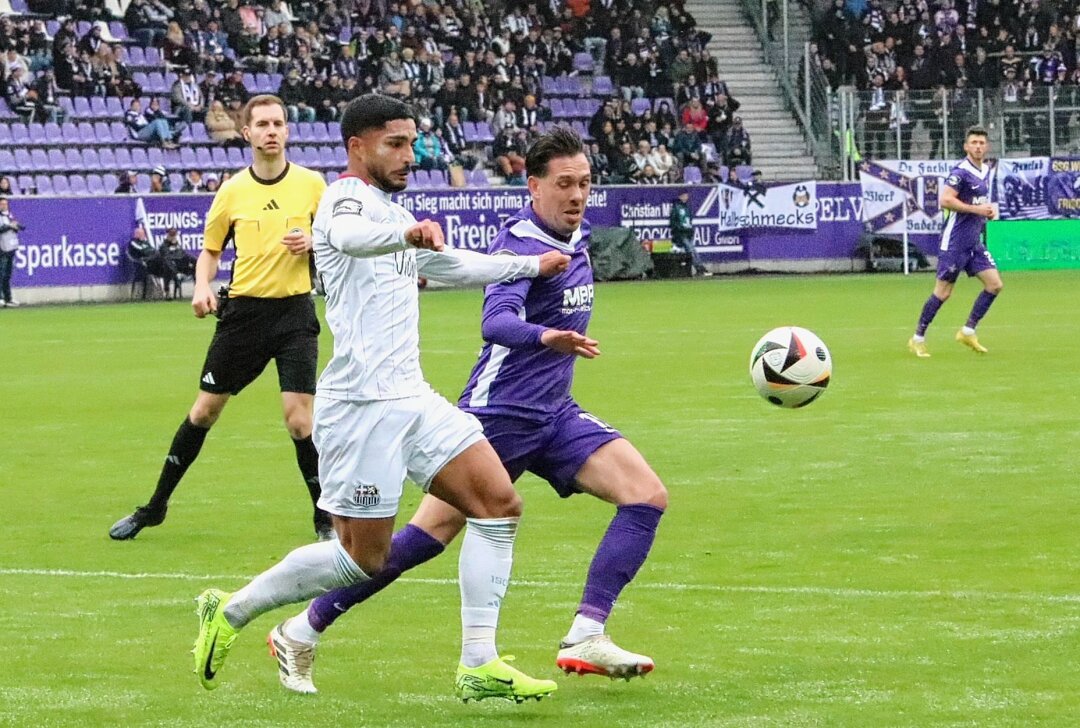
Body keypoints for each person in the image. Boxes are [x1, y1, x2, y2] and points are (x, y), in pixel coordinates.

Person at [190, 94, 570, 703]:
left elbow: (445, 267)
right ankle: (231, 612)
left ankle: (478, 662)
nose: (408, 153)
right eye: (395, 142)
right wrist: (405, 231)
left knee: (499, 505)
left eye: (412, 141)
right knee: (361, 559)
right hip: (361, 408)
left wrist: (526, 267)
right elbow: (345, 234)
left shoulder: (393, 213)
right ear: (357, 147)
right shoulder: (345, 200)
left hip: (411, 398)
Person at [267, 127, 668, 694]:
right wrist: (544, 336)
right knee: (412, 544)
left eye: (584, 184)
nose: (577, 195)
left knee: (646, 495)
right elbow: (495, 322)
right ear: (534, 187)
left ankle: (586, 632)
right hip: (498, 414)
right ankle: (302, 628)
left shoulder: (573, 242)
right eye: (564, 184)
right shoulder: (521, 246)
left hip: (554, 414)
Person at [109, 95, 334, 541]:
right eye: (263, 124)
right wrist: (200, 286)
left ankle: (324, 518)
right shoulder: (231, 192)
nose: (272, 131)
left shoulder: (313, 186)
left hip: (294, 314)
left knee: (299, 420)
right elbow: (210, 251)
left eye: (278, 123)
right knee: (205, 411)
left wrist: (314, 241)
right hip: (244, 316)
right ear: (246, 133)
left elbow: (337, 241)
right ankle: (154, 507)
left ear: (287, 131)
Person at [908, 126, 1002, 357]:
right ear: (966, 146)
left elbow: (980, 202)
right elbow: (945, 200)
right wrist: (976, 209)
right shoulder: (960, 172)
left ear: (986, 146)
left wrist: (987, 212)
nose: (978, 146)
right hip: (955, 242)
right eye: (974, 143)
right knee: (943, 292)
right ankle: (917, 338)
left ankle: (968, 331)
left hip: (974, 242)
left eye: (982, 142)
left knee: (995, 285)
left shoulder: (986, 170)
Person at [670, 189, 710, 276]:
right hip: (681, 233)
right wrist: (678, 230)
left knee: (693, 251)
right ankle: (699, 268)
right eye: (684, 195)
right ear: (680, 196)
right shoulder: (676, 207)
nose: (686, 197)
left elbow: (690, 220)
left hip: (688, 233)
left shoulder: (687, 207)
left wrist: (690, 230)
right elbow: (673, 222)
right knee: (691, 251)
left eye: (686, 195)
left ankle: (700, 268)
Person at [0, 197, 22, 307]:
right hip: (1, 249)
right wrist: (9, 226)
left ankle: (8, 298)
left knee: (7, 275)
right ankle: (1, 297)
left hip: (10, 247)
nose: (4, 206)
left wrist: (16, 226)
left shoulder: (10, 216)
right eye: (2, 204)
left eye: (5, 204)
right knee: (1, 273)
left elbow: (21, 227)